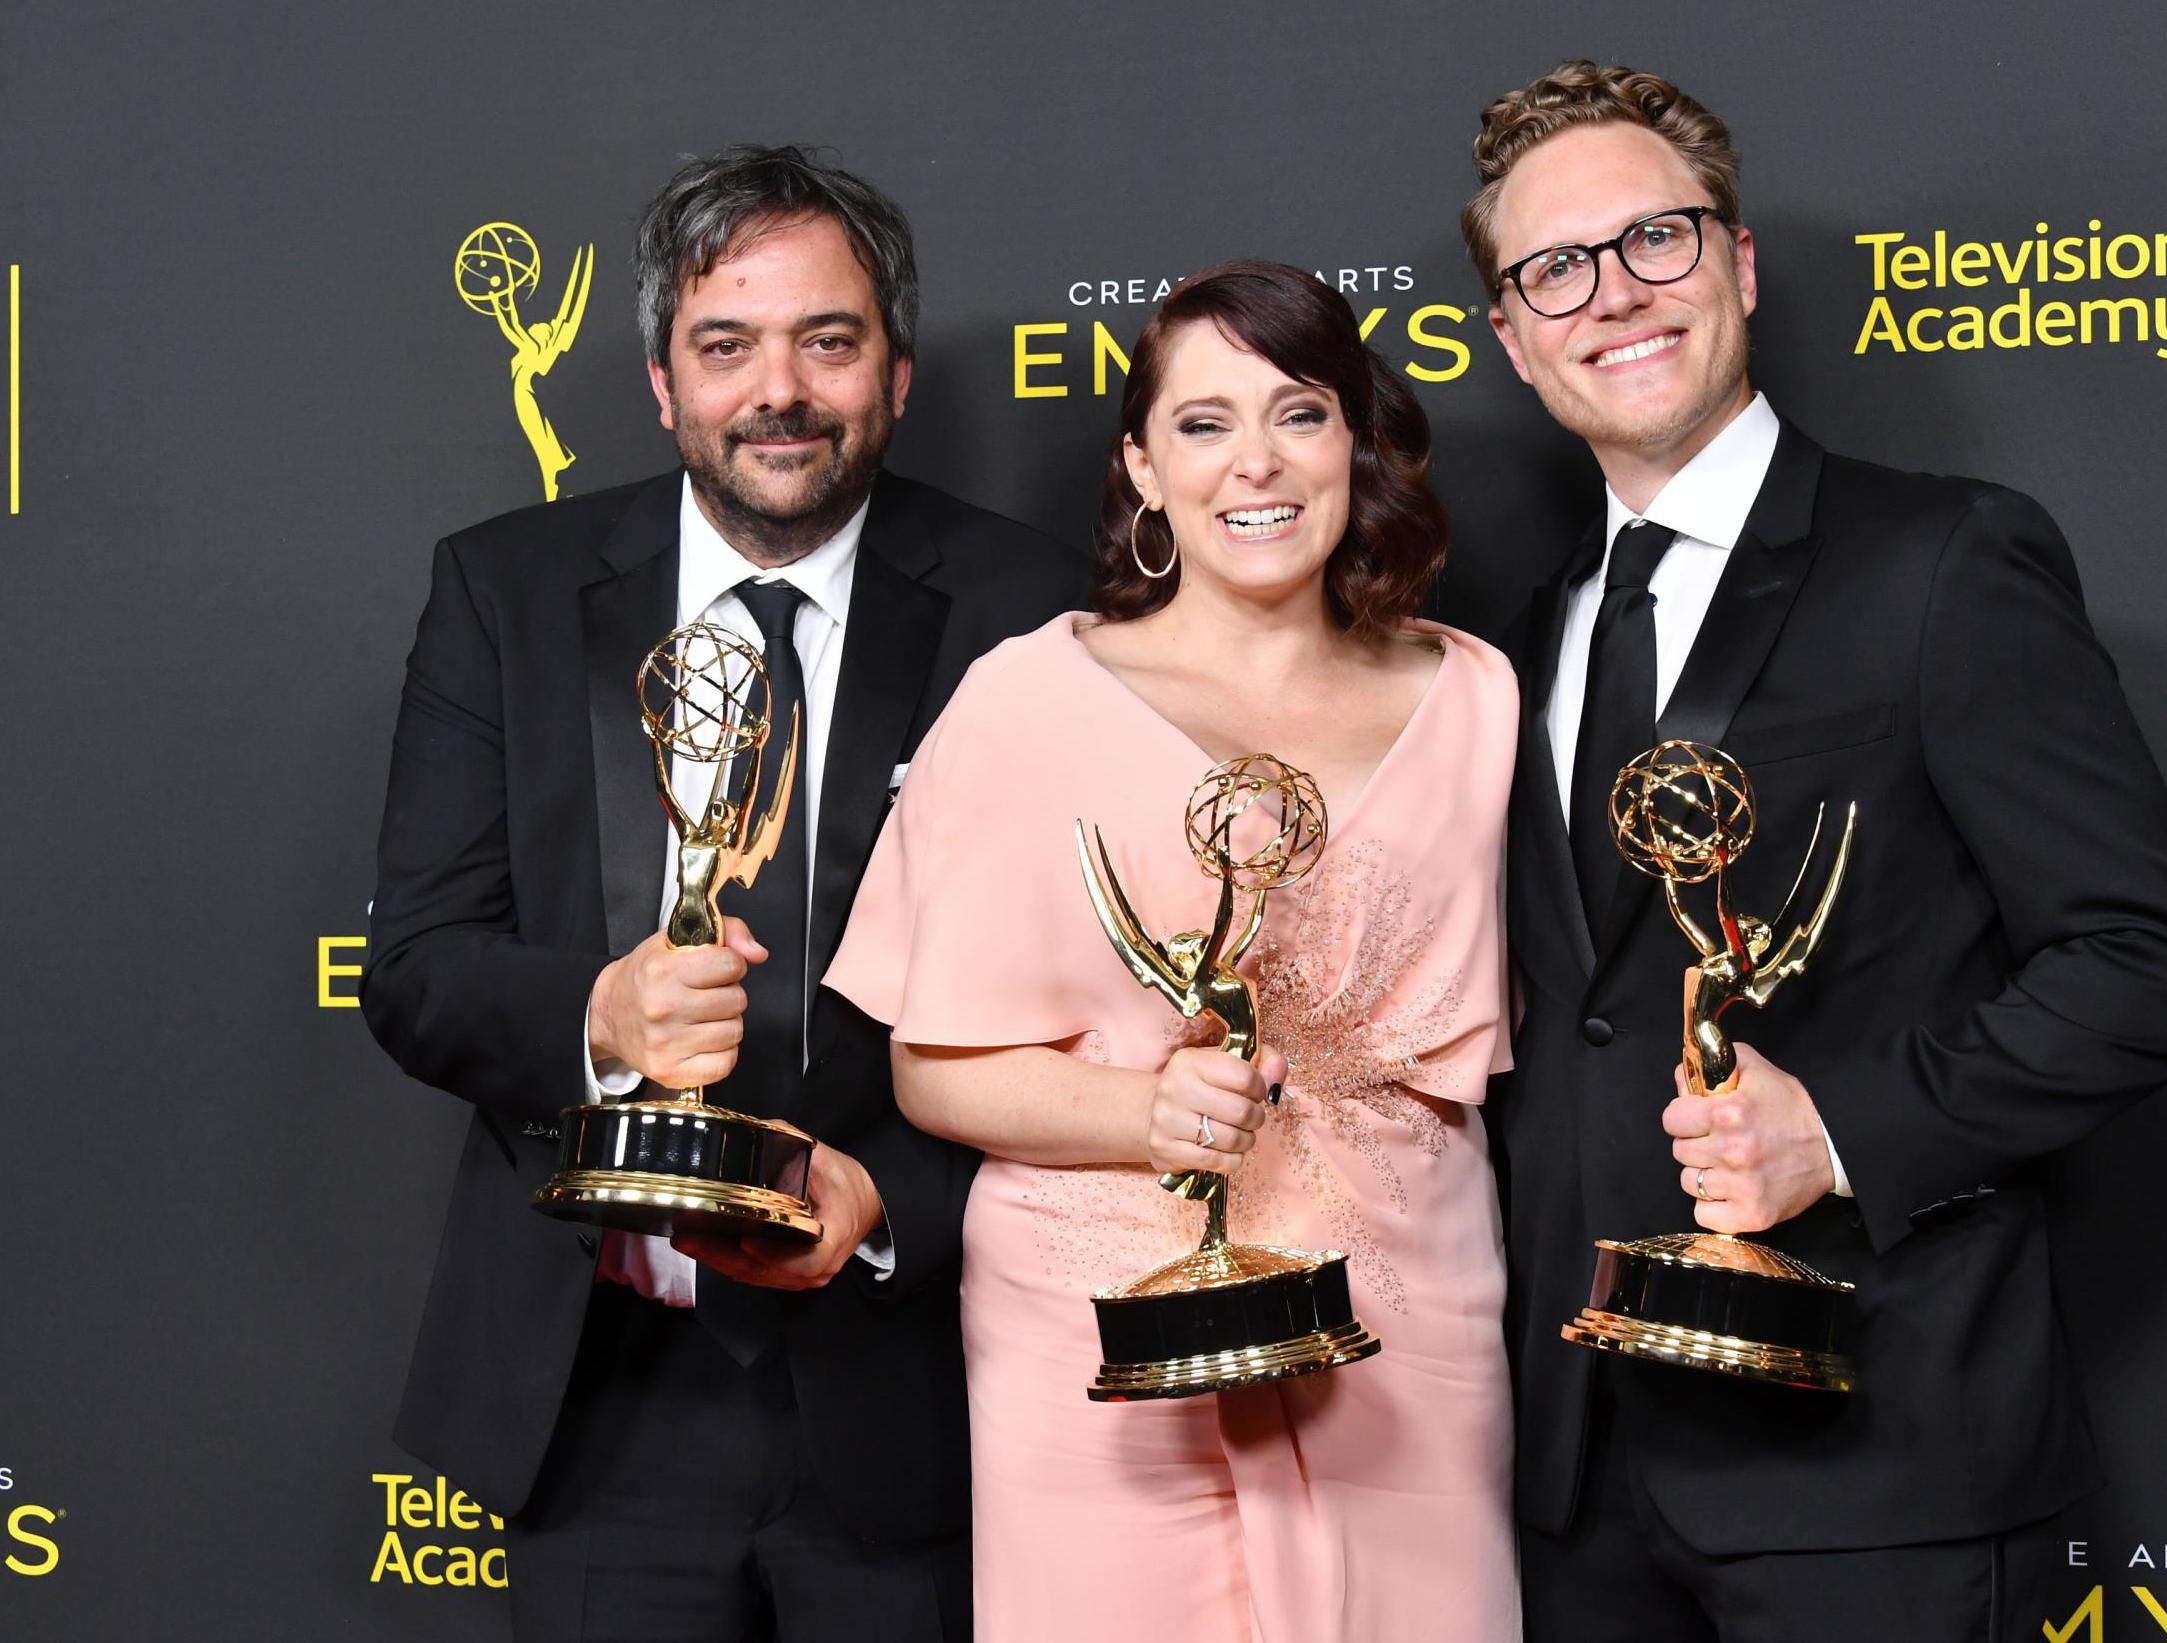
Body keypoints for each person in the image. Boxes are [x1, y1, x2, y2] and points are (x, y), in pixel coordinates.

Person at [1464, 62, 2167, 1643]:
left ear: (1739, 267)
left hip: (1873, 1466)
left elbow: (2148, 966)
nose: (1612, 294)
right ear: (1513, 337)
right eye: (1555, 268)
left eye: (1655, 241)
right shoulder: (1513, 640)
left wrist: (1847, 1131)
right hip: (1576, 1477)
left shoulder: (1944, 559)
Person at [362, 145, 1084, 1643]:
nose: (781, 389)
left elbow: (1087, 1011)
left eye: (828, 340)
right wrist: (599, 1011)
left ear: (892, 372)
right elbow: (420, 970)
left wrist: (894, 1195)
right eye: (726, 344)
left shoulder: (1028, 610)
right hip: (595, 1387)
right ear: (658, 382)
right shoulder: (503, 592)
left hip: (915, 1386)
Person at [821, 261, 1522, 1642]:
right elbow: (933, 1070)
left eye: (1299, 413)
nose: (1252, 463)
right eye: (1202, 425)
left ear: (1357, 442)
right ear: (1141, 466)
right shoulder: (1029, 695)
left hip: (1406, 1312)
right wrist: (1142, 1111)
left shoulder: (1478, 696)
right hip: (1100, 1332)